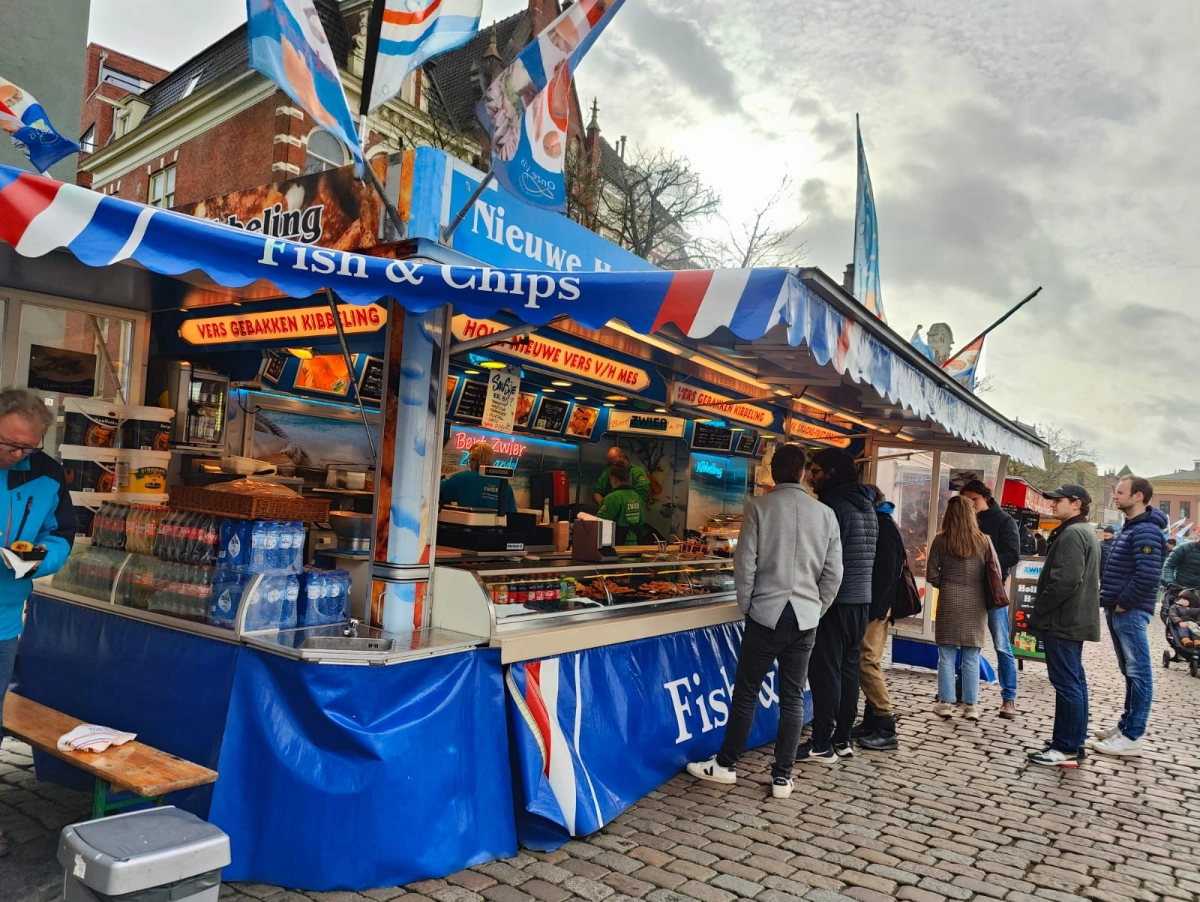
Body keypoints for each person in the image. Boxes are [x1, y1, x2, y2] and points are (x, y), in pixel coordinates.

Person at [687, 445, 843, 799]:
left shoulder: (758, 507)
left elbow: (745, 564)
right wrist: (816, 609)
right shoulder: (825, 514)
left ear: (773, 472)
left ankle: (726, 765)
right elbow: (834, 573)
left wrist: (747, 605)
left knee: (746, 693)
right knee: (792, 697)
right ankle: (783, 777)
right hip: (804, 617)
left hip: (765, 614)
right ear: (804, 472)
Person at [0, 388, 75, 858]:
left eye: (26, 447)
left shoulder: (47, 474)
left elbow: (62, 534)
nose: (17, 455)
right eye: (8, 444)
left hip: (4, 621)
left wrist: (40, 559)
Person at [798, 449, 878, 763]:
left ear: (831, 473)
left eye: (815, 470)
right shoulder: (867, 506)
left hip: (835, 600)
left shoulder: (831, 506)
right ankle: (842, 738)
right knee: (848, 670)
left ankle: (820, 742)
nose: (811, 476)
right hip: (861, 601)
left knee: (825, 672)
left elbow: (819, 559)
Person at [1026, 484, 1101, 767]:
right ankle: (1073, 740)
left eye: (1058, 500)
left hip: (1063, 621)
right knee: (1074, 682)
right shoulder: (1082, 531)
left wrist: (1039, 611)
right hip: (1071, 620)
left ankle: (1065, 747)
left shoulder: (1073, 533)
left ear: (1076, 504)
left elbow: (1065, 581)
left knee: (1068, 683)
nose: (1053, 504)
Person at [1091, 475, 1166, 757]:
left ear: (1138, 496)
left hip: (1130, 611)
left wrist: (1123, 602)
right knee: (1130, 672)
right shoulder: (1132, 528)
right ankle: (1126, 726)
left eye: (1120, 492)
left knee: (1139, 672)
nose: (1115, 496)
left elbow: (1148, 576)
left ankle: (1133, 735)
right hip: (1120, 608)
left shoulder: (1146, 531)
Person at [925, 496, 992, 722]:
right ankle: (970, 706)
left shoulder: (941, 540)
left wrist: (948, 583)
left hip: (949, 602)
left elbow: (932, 574)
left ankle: (945, 703)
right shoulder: (983, 541)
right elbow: (991, 574)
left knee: (946, 655)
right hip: (976, 602)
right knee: (971, 656)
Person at [959, 480, 1020, 719]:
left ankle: (1009, 697)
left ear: (986, 497)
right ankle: (961, 689)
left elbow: (1012, 554)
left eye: (974, 499)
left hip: (993, 590)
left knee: (1002, 645)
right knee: (966, 642)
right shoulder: (964, 520)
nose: (971, 504)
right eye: (967, 500)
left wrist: (986, 563)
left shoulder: (1004, 521)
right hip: (969, 590)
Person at [854, 485, 904, 751]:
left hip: (877, 606)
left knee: (867, 660)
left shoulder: (883, 526)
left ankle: (885, 725)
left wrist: (876, 608)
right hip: (880, 605)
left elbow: (885, 573)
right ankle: (872, 719)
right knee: (870, 659)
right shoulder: (884, 522)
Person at [440, 441, 516, 512]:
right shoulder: (505, 486)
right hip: (496, 526)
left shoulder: (463, 479)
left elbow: (438, 490)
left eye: (469, 461)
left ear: (475, 460)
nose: (469, 465)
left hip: (466, 525)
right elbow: (512, 516)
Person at [595, 462, 645, 546]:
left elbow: (600, 522)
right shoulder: (637, 497)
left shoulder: (612, 498)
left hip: (618, 544)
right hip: (635, 544)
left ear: (613, 478)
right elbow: (641, 520)